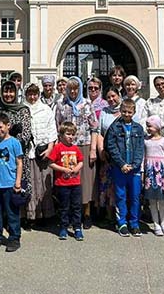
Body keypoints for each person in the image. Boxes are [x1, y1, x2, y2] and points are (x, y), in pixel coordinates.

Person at [54, 77, 98, 228]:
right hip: (66, 148)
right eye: (70, 88)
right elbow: (57, 126)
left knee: (85, 182)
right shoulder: (61, 104)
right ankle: (70, 215)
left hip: (84, 145)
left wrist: (93, 149)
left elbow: (94, 128)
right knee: (68, 180)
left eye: (76, 88)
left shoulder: (87, 104)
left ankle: (86, 214)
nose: (73, 92)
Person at [104, 99, 145, 237]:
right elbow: (111, 147)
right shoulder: (114, 127)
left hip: (134, 169)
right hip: (119, 168)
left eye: (129, 112)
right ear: (120, 111)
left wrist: (134, 165)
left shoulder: (138, 128)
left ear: (134, 112)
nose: (126, 114)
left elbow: (140, 148)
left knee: (135, 196)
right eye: (124, 112)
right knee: (120, 196)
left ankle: (134, 223)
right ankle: (121, 222)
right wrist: (121, 164)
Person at [0, 113, 24, 252]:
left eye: (1, 127)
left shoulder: (14, 142)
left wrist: (18, 182)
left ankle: (14, 238)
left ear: (8, 126)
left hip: (10, 183)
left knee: (12, 213)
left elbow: (19, 163)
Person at [24, 83, 57, 222]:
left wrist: (50, 149)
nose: (32, 97)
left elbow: (52, 131)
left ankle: (46, 214)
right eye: (30, 94)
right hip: (29, 152)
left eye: (35, 94)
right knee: (31, 183)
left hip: (44, 152)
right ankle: (31, 215)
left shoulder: (46, 109)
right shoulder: (23, 110)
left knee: (44, 184)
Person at [0, 81, 33, 200]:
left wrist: (12, 140)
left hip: (18, 155)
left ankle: (21, 216)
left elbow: (25, 134)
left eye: (11, 91)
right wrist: (10, 134)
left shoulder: (23, 110)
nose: (8, 94)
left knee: (19, 188)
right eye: (6, 91)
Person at [48, 122, 84, 241]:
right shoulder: (57, 148)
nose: (71, 137)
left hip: (75, 183)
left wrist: (76, 169)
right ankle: (63, 227)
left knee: (76, 206)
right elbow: (51, 163)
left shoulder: (75, 148)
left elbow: (81, 161)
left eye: (73, 134)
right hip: (63, 183)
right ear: (62, 135)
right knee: (64, 207)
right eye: (68, 134)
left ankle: (77, 227)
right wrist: (63, 169)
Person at [143, 115, 164, 236]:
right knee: (152, 200)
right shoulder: (146, 141)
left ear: (157, 127)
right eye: (147, 126)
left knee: (162, 199)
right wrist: (143, 173)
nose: (148, 128)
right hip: (150, 172)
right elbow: (143, 158)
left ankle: (163, 222)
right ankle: (156, 223)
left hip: (161, 172)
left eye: (150, 126)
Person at [96, 87, 122, 218]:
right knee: (107, 184)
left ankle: (122, 215)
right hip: (107, 154)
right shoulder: (104, 112)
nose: (111, 99)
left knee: (120, 185)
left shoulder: (125, 110)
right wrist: (101, 150)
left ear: (119, 95)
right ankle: (109, 215)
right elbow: (100, 132)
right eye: (108, 97)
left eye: (113, 96)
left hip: (122, 154)